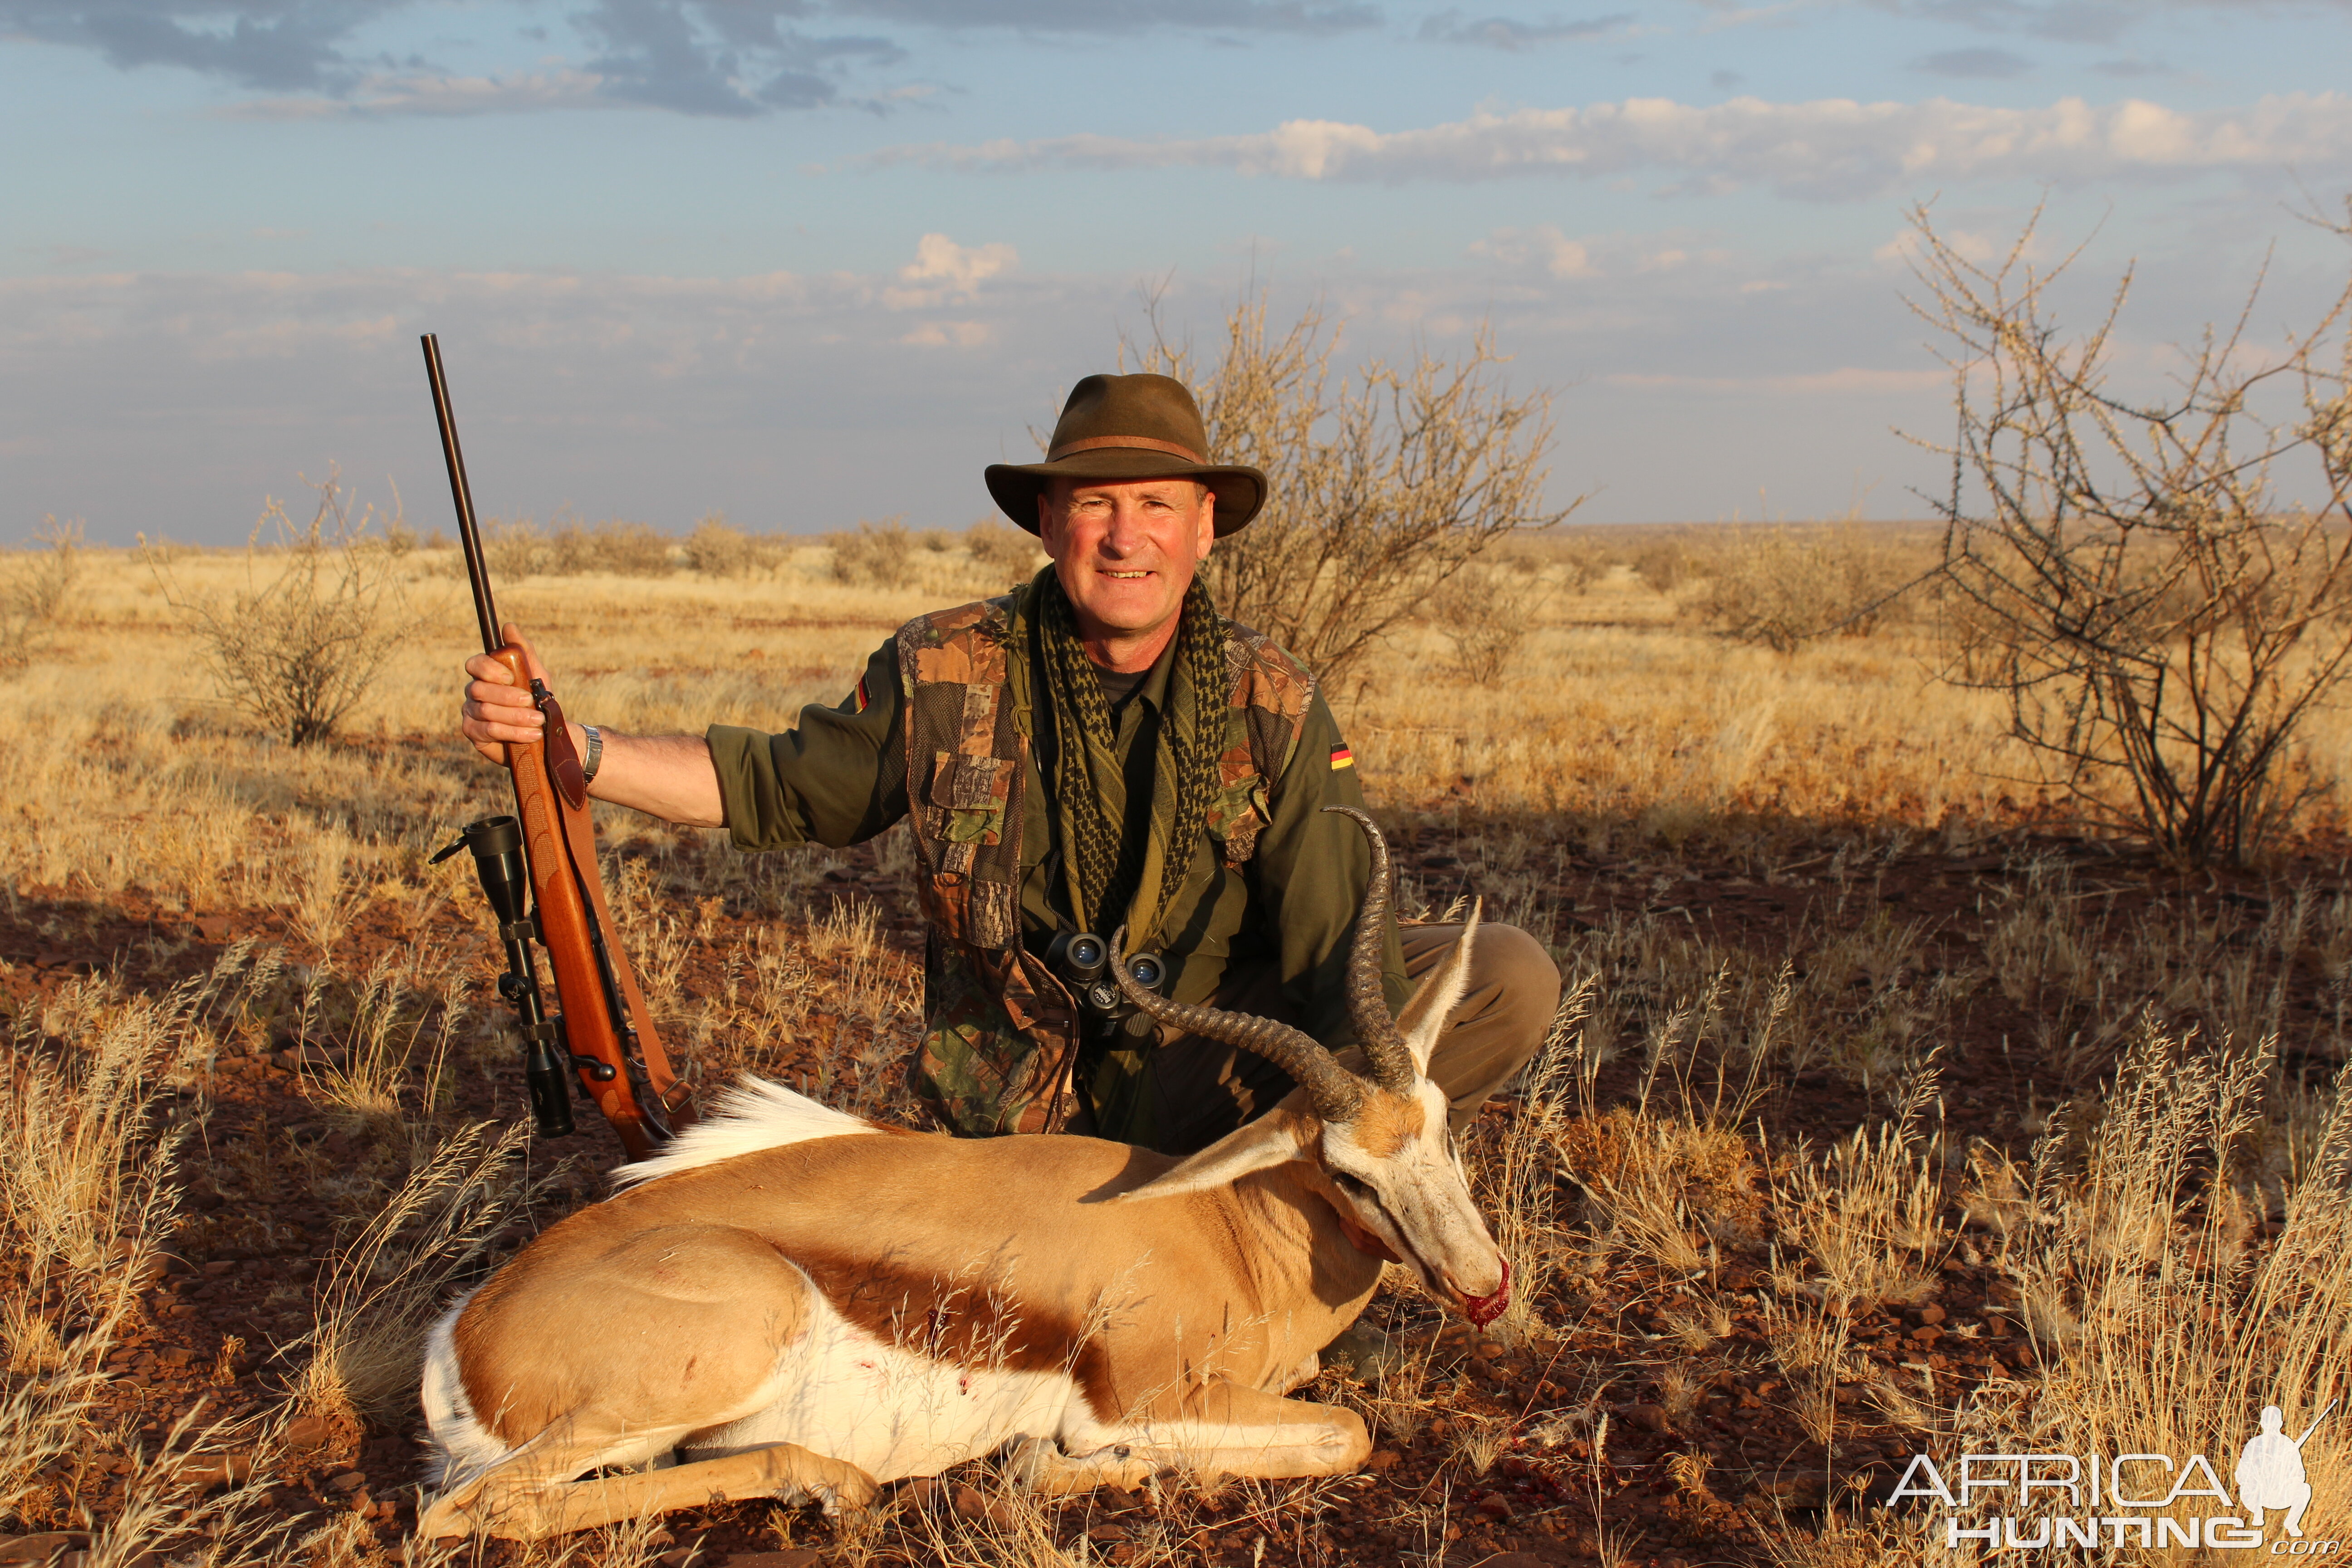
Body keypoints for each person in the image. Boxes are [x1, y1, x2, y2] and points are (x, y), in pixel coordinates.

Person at [460, 372, 1562, 1155]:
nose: (1125, 538)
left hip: (1213, 1081)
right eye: (1095, 504)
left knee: (1504, 975)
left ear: (1206, 530)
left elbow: (1336, 959)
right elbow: (782, 782)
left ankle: (1290, 1218)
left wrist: (1343, 1131)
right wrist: (579, 749)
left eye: (1155, 508)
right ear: (1047, 522)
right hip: (1016, 1112)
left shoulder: (1274, 698)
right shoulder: (947, 667)